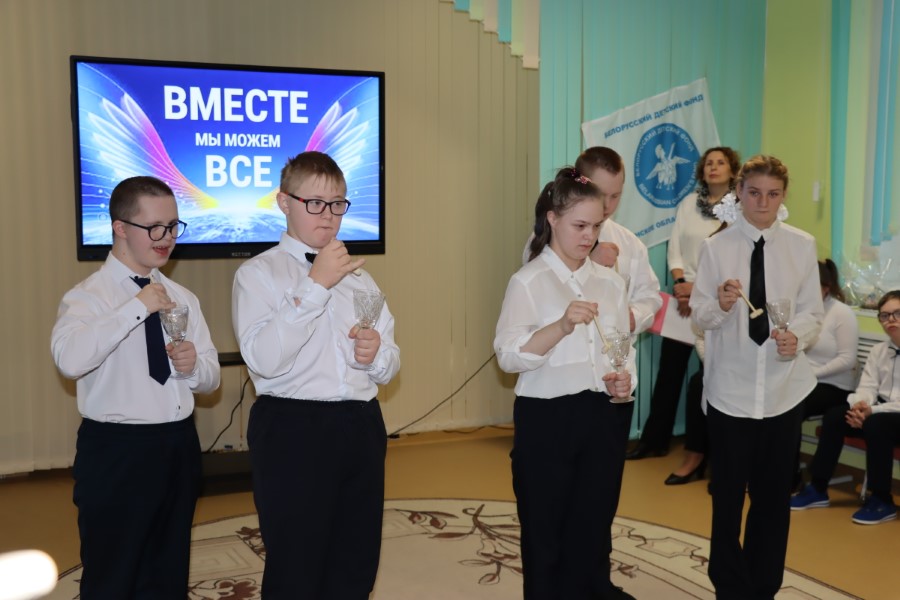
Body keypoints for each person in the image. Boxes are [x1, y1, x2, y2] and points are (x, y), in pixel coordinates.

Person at [232, 151, 400, 599]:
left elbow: (390, 361)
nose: (328, 215)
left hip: (361, 423)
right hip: (294, 427)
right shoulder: (257, 274)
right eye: (315, 203)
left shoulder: (361, 279)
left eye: (338, 204)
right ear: (284, 202)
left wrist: (375, 355)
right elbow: (264, 360)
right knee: (296, 563)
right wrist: (316, 284)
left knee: (356, 559)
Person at [51, 176, 221, 598]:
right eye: (155, 227)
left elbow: (212, 378)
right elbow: (69, 360)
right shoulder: (87, 297)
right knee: (113, 574)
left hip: (177, 445)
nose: (167, 238)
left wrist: (194, 368)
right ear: (120, 227)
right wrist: (136, 307)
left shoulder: (183, 297)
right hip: (117, 452)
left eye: (173, 226)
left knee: (168, 571)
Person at [497, 167, 636, 600]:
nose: (588, 236)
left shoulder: (610, 283)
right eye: (579, 226)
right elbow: (507, 356)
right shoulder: (528, 282)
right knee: (545, 528)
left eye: (596, 226)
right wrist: (560, 325)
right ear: (552, 219)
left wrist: (623, 382)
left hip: (601, 415)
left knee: (593, 523)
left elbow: (622, 348)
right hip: (547, 418)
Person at [691, 155, 823, 599]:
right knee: (727, 498)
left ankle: (764, 586)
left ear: (783, 196)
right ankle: (729, 587)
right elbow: (699, 316)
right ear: (739, 193)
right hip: (730, 391)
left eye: (772, 194)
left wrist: (797, 338)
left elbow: (812, 313)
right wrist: (722, 304)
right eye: (754, 193)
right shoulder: (716, 247)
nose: (763, 203)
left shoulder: (802, 245)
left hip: (784, 391)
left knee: (772, 499)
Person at [627, 147, 741, 484]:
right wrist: (680, 285)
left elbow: (732, 259)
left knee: (707, 381)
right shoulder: (689, 203)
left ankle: (704, 452)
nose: (714, 167)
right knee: (669, 373)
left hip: (716, 301)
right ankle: (654, 440)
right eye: (709, 163)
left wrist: (698, 290)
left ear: (733, 170)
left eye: (721, 162)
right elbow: (675, 249)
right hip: (682, 299)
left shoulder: (739, 208)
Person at [523, 147, 662, 334]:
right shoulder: (548, 233)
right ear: (581, 185)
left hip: (615, 348)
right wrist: (589, 263)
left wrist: (633, 317)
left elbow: (650, 295)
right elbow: (535, 290)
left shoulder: (630, 243)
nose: (607, 205)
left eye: (615, 196)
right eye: (600, 194)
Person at [790, 290, 900, 524]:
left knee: (877, 424)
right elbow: (868, 386)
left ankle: (882, 500)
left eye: (897, 314)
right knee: (836, 416)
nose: (891, 320)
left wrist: (871, 412)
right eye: (884, 315)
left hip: (891, 415)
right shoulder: (879, 351)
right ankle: (818, 488)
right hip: (878, 411)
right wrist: (860, 405)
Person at [792, 259, 859, 488]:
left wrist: (813, 374)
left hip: (835, 386)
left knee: (792, 406)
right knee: (775, 402)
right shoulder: (801, 313)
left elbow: (847, 359)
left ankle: (790, 476)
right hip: (805, 381)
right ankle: (771, 468)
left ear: (826, 287)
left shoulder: (841, 313)